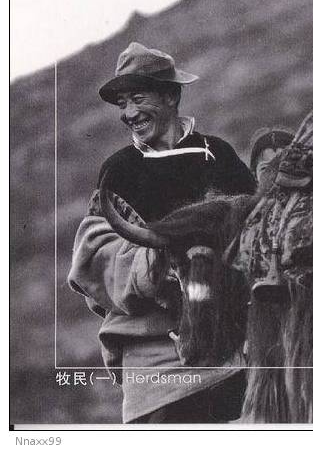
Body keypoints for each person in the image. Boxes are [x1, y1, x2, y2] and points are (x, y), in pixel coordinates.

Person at [67, 42, 257, 423]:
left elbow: (256, 227)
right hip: (157, 366)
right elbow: (95, 255)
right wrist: (156, 264)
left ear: (171, 96)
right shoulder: (119, 170)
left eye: (138, 98)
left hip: (234, 352)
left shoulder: (217, 154)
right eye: (122, 103)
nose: (129, 113)